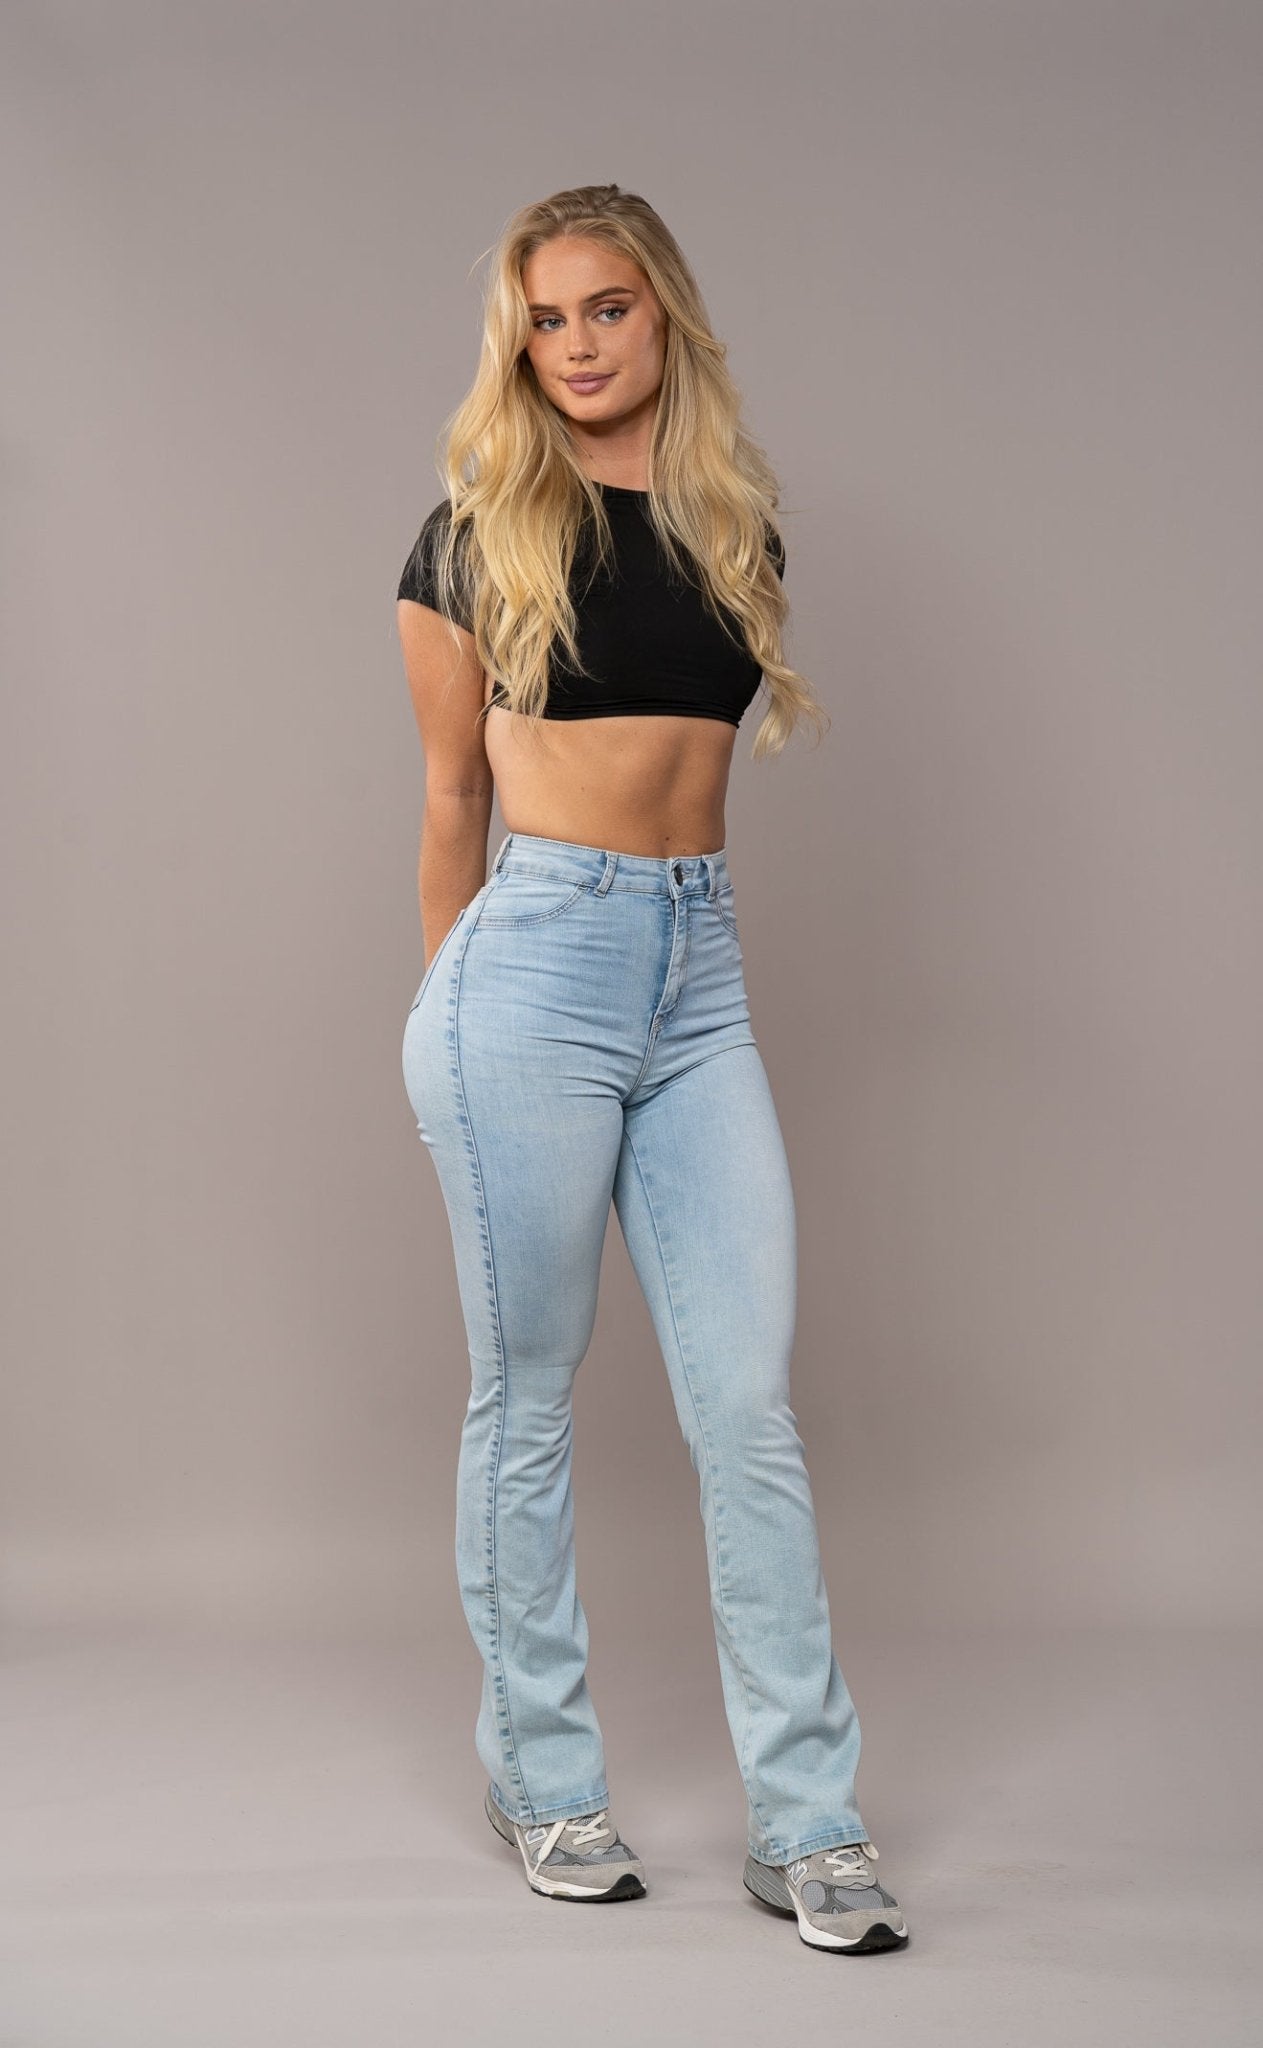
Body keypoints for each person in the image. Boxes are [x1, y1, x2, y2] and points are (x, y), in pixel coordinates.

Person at [396, 183, 909, 1957]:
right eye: (546, 319)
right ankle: (544, 1780)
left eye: (607, 307)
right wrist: (462, 1017)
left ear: (665, 315)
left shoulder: (734, 527)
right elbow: (451, 803)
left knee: (746, 1406)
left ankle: (809, 1823)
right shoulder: (475, 535)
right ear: (518, 344)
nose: (579, 344)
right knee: (526, 1396)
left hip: (701, 982)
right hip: (530, 974)